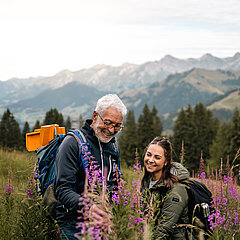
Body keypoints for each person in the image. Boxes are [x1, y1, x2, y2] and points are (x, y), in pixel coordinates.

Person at [55, 94, 127, 239]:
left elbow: (113, 182)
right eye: (108, 123)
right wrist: (89, 207)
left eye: (117, 125)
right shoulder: (72, 143)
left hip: (103, 223)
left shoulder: (112, 145)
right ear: (95, 116)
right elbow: (62, 189)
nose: (112, 130)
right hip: (74, 224)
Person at [141, 137, 197, 240]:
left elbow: (164, 229)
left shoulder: (177, 189)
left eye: (157, 157)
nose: (150, 160)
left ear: (166, 162)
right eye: (148, 155)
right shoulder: (147, 182)